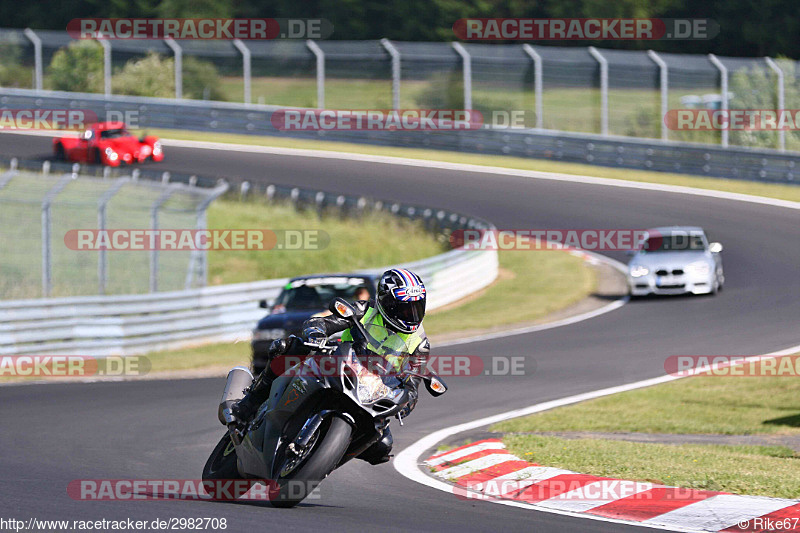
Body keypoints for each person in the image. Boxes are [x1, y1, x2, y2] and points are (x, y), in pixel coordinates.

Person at [232, 269, 430, 464]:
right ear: (387, 302)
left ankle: (325, 457)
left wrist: (405, 403)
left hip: (374, 388)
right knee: (287, 347)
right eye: (404, 308)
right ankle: (250, 402)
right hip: (339, 362)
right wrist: (317, 333)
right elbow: (323, 323)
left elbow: (413, 385)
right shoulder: (365, 310)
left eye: (416, 307)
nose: (410, 314)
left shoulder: (420, 344)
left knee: (382, 446)